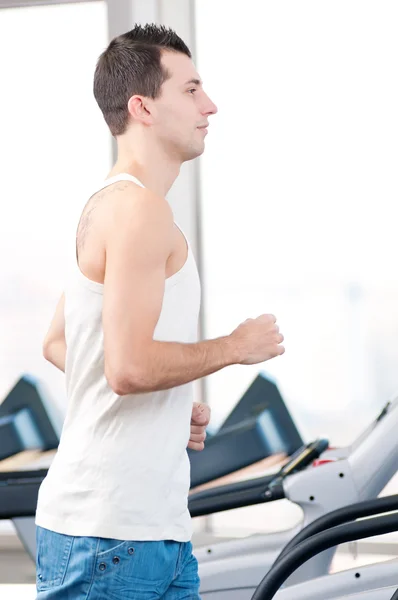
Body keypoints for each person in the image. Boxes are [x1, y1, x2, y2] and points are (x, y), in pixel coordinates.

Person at [35, 23, 285, 599]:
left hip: (147, 533)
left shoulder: (121, 205)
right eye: (192, 90)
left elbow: (58, 340)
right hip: (109, 541)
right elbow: (126, 368)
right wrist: (232, 348)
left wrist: (167, 397)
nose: (211, 105)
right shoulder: (136, 211)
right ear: (143, 107)